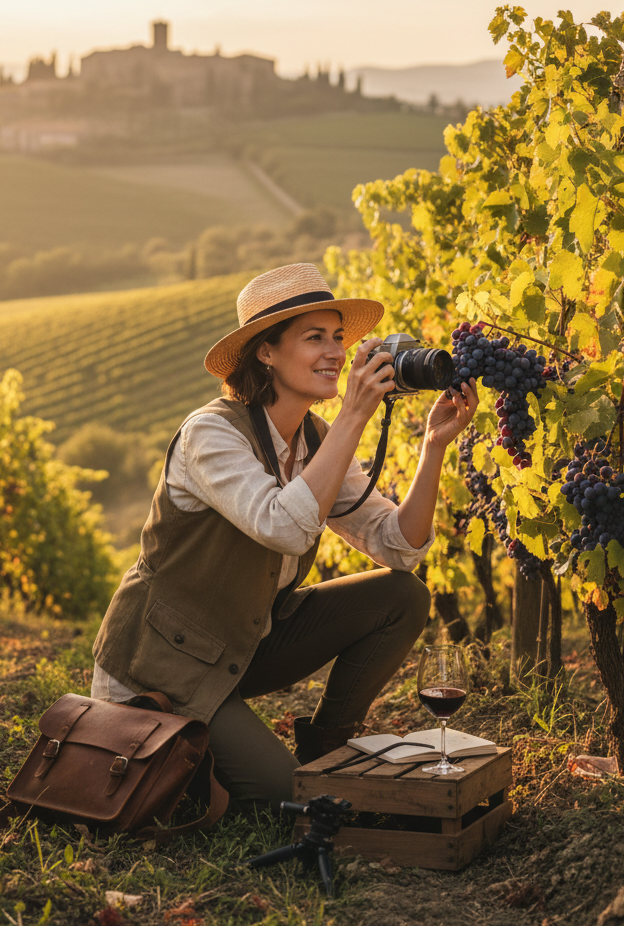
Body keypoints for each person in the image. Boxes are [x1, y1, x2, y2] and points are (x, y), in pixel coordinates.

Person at [91, 263, 477, 805]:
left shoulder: (318, 440)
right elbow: (283, 526)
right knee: (282, 796)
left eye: (338, 337)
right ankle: (199, 750)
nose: (336, 353)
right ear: (266, 352)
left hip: (240, 645)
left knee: (400, 596)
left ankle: (326, 748)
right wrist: (353, 417)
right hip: (162, 664)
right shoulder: (211, 433)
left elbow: (398, 545)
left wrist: (434, 446)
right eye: (314, 337)